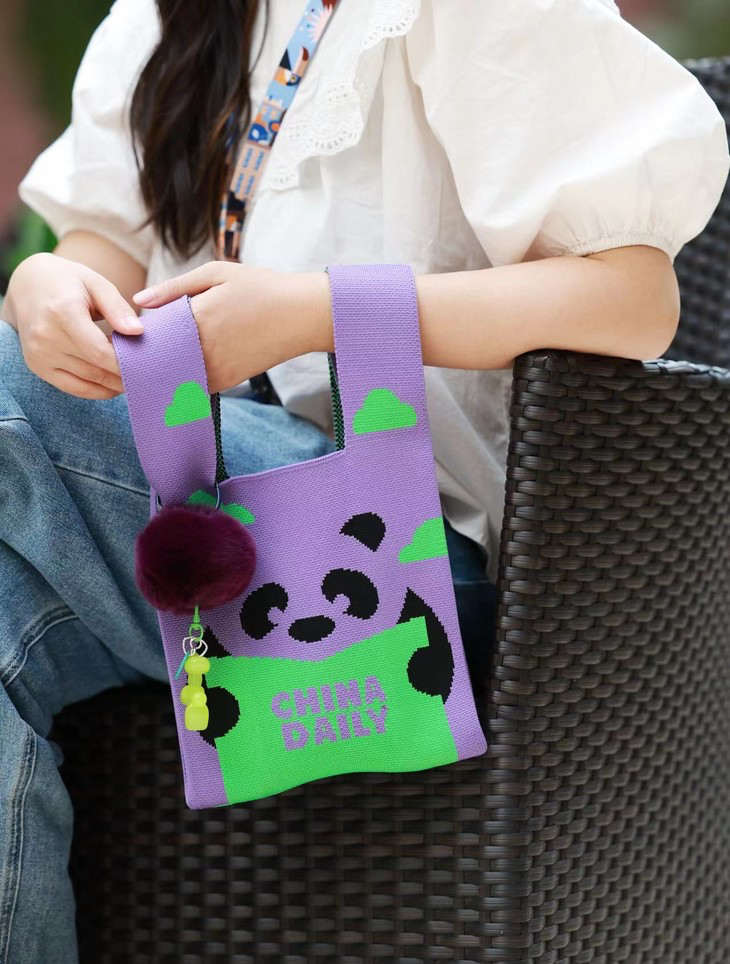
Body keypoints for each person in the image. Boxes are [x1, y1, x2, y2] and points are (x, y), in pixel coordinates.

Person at [1, 0, 728, 960]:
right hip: (187, 526)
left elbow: (633, 300)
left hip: (410, 564)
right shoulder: (164, 19)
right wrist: (41, 291)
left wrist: (317, 313)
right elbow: (97, 257)